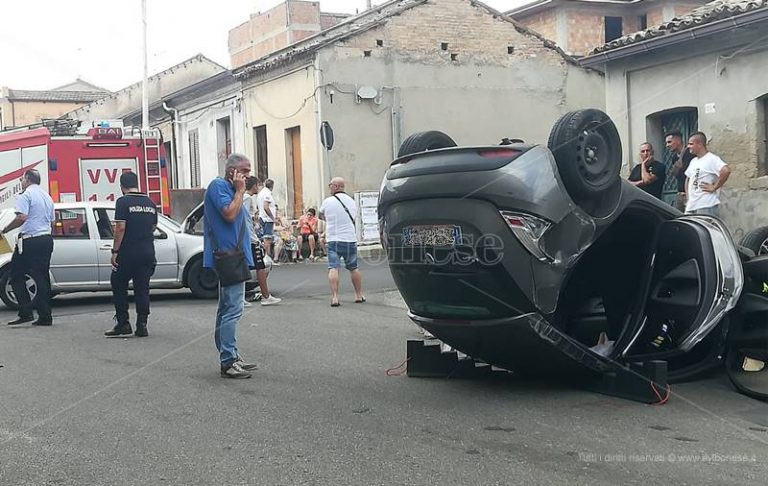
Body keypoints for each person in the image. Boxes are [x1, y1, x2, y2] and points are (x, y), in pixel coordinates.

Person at [204, 154, 258, 379]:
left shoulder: (226, 188)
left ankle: (230, 355)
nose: (247, 175)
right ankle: (228, 359)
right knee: (233, 310)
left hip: (233, 256)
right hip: (228, 257)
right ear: (232, 171)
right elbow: (229, 214)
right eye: (244, 171)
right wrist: (239, 191)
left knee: (226, 308)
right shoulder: (219, 186)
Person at [104, 171, 157, 337]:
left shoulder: (123, 202)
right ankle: (142, 324)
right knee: (142, 288)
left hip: (128, 253)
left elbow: (120, 228)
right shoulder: (150, 202)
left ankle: (123, 322)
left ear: (122, 187)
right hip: (147, 252)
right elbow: (153, 226)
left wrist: (115, 251)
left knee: (118, 284)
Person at [2, 169, 54, 326]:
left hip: (30, 241)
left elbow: (21, 217)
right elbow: (51, 221)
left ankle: (25, 312)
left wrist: (5, 229)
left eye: (22, 179)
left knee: (16, 275)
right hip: (46, 239)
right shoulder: (47, 197)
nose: (21, 182)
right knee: (42, 277)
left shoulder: (26, 195)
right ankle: (45, 315)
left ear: (28, 179)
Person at [319, 177, 364, 307]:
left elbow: (321, 215)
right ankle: (358, 295)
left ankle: (334, 297)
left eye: (330, 185)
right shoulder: (352, 201)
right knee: (353, 267)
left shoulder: (328, 201)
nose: (329, 187)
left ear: (337, 186)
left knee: (334, 267)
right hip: (349, 239)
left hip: (333, 239)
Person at [243, 176, 281, 307]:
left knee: (247, 266)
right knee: (259, 266)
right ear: (254, 185)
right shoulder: (247, 198)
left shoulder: (245, 197)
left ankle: (242, 297)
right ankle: (266, 296)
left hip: (247, 237)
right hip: (250, 238)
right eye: (257, 185)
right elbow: (245, 219)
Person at [684, 132, 731, 216]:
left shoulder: (711, 159)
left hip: (706, 204)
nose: (688, 147)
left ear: (699, 144)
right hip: (691, 206)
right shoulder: (693, 161)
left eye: (691, 144)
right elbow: (688, 179)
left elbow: (726, 170)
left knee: (705, 228)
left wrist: (714, 187)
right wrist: (689, 198)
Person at [665, 130, 696, 211]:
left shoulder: (690, 154)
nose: (667, 145)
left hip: (690, 194)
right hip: (679, 194)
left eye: (669, 142)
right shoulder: (674, 158)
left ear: (678, 141)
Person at [256, 178, 276, 259]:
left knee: (265, 238)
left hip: (262, 217)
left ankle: (265, 256)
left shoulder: (260, 193)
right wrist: (272, 217)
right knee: (267, 239)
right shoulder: (267, 194)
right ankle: (267, 257)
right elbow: (266, 207)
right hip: (267, 219)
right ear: (272, 186)